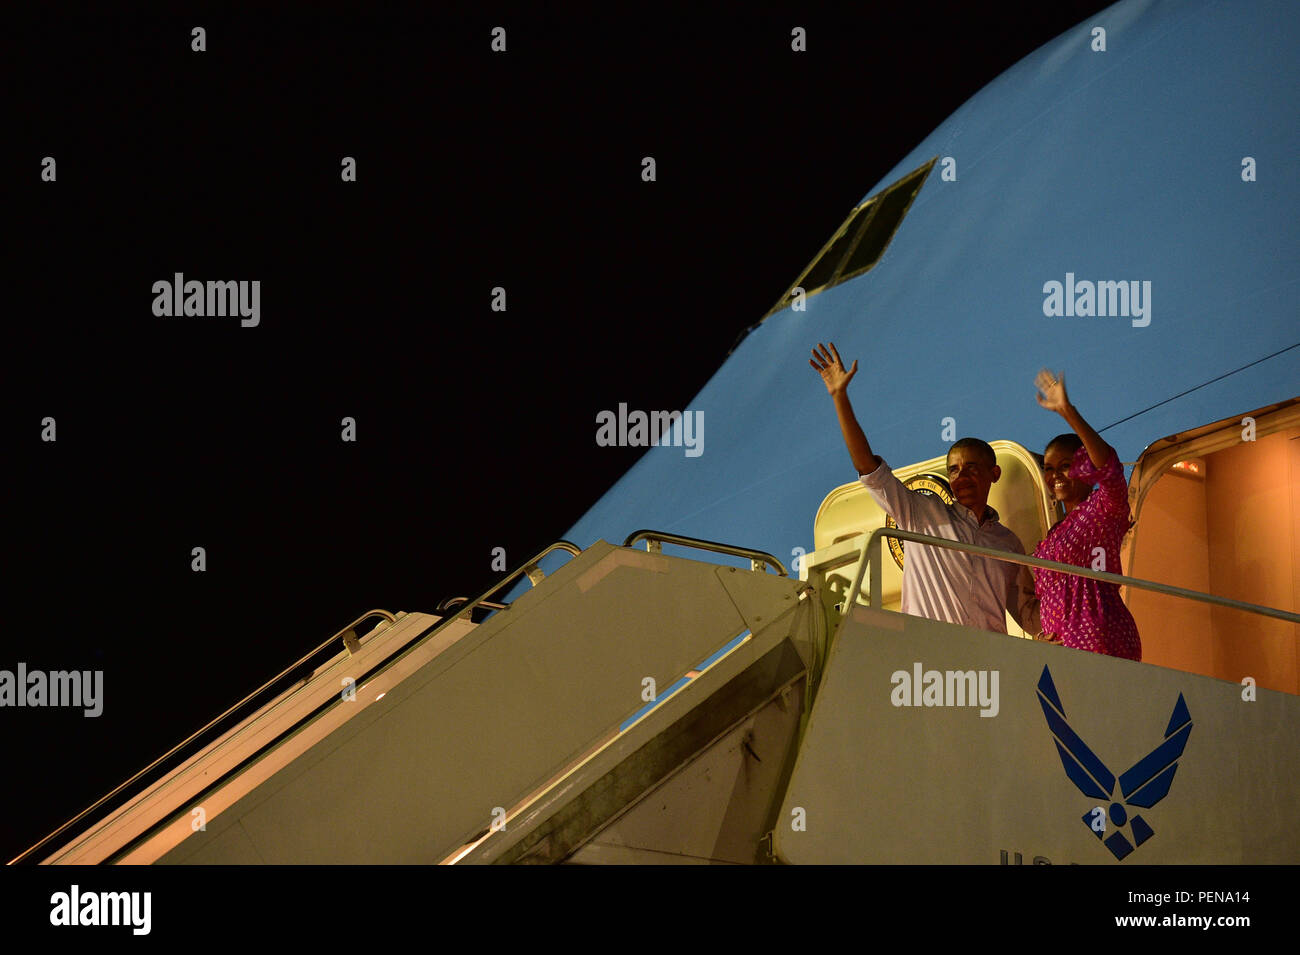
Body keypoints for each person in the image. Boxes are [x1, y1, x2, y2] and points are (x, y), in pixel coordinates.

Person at [810, 342, 1039, 635]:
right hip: (929, 663)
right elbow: (869, 468)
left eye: (971, 467)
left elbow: (1026, 611)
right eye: (954, 470)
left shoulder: (1008, 543)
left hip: (989, 667)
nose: (961, 476)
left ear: (994, 473)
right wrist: (840, 398)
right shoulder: (922, 514)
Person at [1031, 369, 1141, 660]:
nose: (1055, 475)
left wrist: (1068, 412)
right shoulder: (1052, 535)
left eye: (1066, 465)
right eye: (1049, 468)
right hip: (1059, 648)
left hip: (1099, 637)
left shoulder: (1103, 508)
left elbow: (1110, 469)